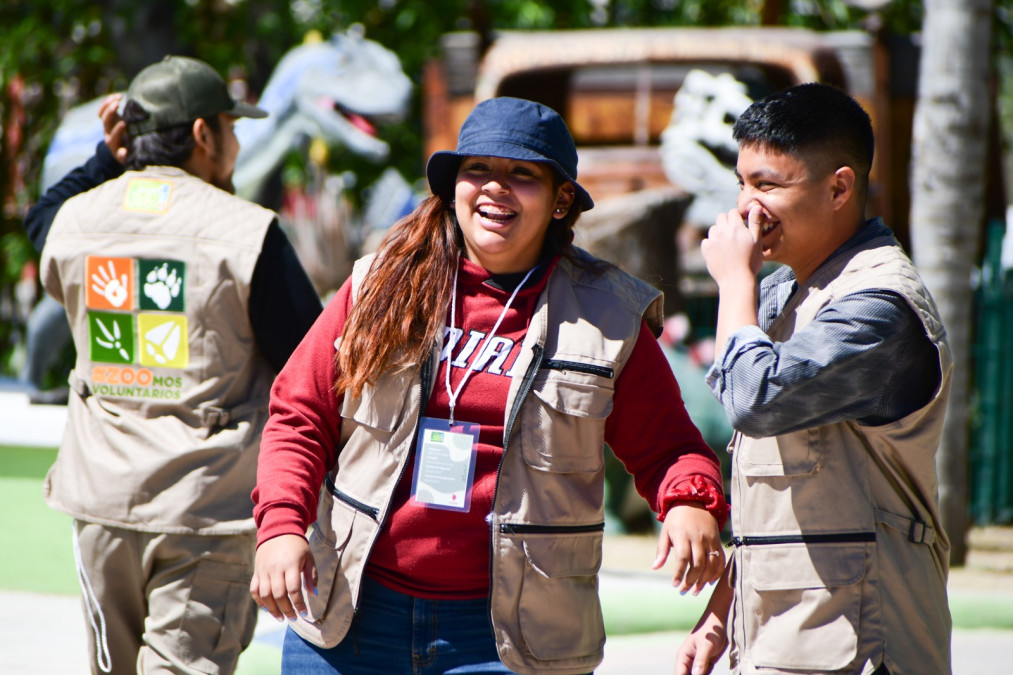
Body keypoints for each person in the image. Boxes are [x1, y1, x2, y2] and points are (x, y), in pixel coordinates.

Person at [249, 96, 730, 674]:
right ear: (454, 187)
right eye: (478, 170)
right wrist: (280, 527)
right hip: (350, 618)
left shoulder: (609, 316)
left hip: (509, 642)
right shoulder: (378, 285)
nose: (495, 188)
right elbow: (300, 415)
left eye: (522, 174)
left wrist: (689, 503)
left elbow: (670, 447)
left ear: (561, 200)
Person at [24, 55, 323, 674]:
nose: (238, 144)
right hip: (204, 514)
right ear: (202, 134)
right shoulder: (248, 233)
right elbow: (311, 359)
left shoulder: (76, 220)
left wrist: (107, 160)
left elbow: (40, 220)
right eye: (232, 128)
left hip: (100, 506)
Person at [675, 83, 952, 675]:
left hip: (865, 646)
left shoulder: (879, 306)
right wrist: (722, 614)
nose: (747, 207)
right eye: (743, 184)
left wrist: (733, 284)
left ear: (839, 187)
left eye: (769, 185)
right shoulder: (781, 292)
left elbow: (756, 401)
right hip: (783, 643)